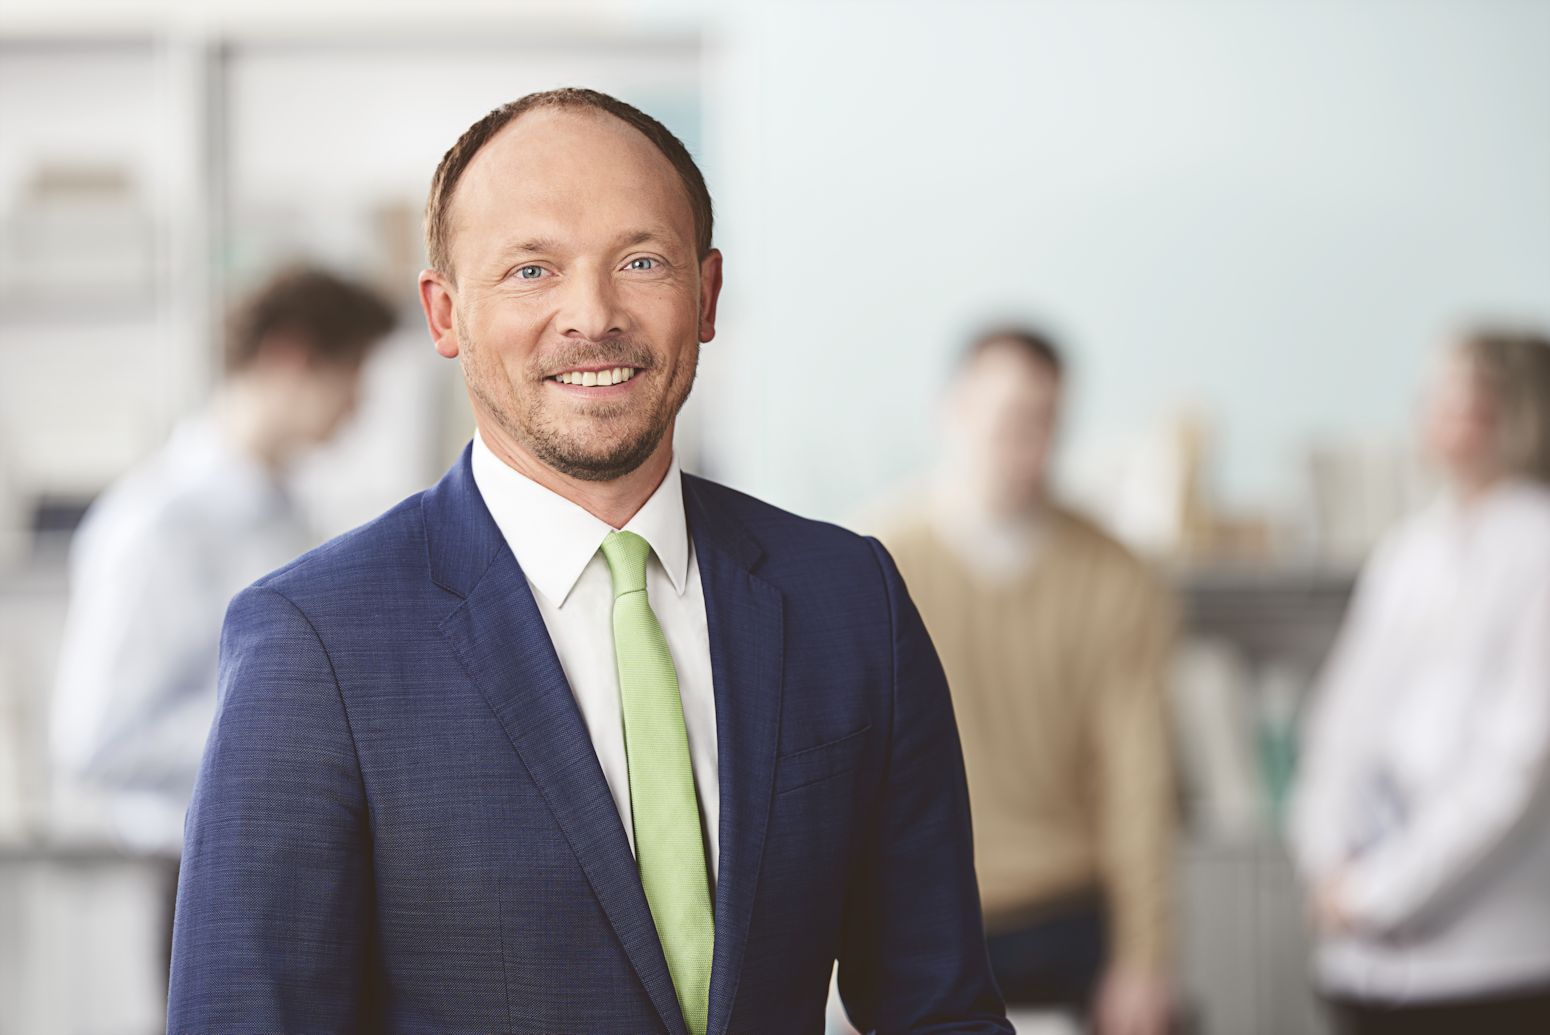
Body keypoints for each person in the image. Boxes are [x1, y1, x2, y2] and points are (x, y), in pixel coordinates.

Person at [166, 88, 1010, 1034]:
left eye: (642, 261)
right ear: (445, 316)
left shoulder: (849, 601)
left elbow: (941, 1012)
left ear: (708, 293)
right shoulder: (315, 641)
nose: (592, 314)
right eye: (531, 269)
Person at [875, 327, 1178, 1035]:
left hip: (1065, 919)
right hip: (916, 923)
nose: (1025, 440)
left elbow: (1139, 784)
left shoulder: (1116, 577)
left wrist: (1146, 960)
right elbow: (843, 780)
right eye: (1006, 415)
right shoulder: (879, 562)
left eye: (1044, 419)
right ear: (952, 411)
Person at [51, 265, 395, 857]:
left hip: (284, 858)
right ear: (291, 357)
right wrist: (289, 727)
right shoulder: (157, 526)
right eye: (351, 373)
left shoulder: (286, 515)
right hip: (193, 867)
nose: (358, 404)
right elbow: (99, 741)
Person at [1290, 328, 1550, 1035]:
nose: (1429, 414)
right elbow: (1339, 725)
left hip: (1494, 961)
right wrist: (1327, 862)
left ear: (1518, 410)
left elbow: (1516, 768)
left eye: (1457, 397)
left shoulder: (1537, 546)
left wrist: (1382, 891)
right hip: (1362, 958)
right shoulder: (1411, 547)